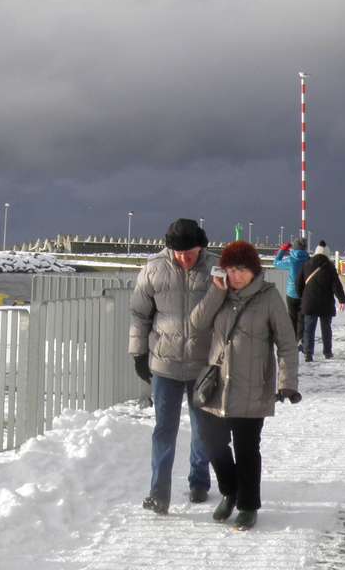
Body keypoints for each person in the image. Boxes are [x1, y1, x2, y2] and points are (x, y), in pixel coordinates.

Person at [189, 241, 299, 531]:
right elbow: (197, 323)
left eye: (241, 270)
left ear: (253, 271)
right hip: (218, 386)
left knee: (247, 449)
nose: (235, 276)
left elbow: (287, 344)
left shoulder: (269, 297)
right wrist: (216, 290)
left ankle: (248, 506)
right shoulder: (220, 293)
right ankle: (230, 491)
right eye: (230, 270)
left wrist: (287, 383)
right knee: (212, 443)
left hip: (253, 385)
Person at [128, 218, 216, 514]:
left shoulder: (216, 270)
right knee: (164, 430)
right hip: (164, 365)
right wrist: (138, 354)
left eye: (188, 252)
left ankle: (199, 480)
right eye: (177, 253)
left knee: (203, 429)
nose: (183, 258)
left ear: (201, 246)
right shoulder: (153, 270)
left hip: (202, 366)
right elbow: (140, 316)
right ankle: (159, 492)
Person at [298, 241, 345, 361]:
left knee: (309, 329)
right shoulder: (329, 266)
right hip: (326, 303)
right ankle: (327, 352)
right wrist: (342, 300)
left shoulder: (307, 264)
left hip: (310, 302)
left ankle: (308, 354)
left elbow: (298, 283)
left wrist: (302, 296)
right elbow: (336, 285)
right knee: (326, 329)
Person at [281, 237, 310, 338]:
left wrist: (282, 250)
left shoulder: (290, 260)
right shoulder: (308, 260)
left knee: (292, 317)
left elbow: (275, 263)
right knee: (302, 318)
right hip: (304, 293)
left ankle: (293, 340)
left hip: (291, 293)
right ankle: (301, 339)